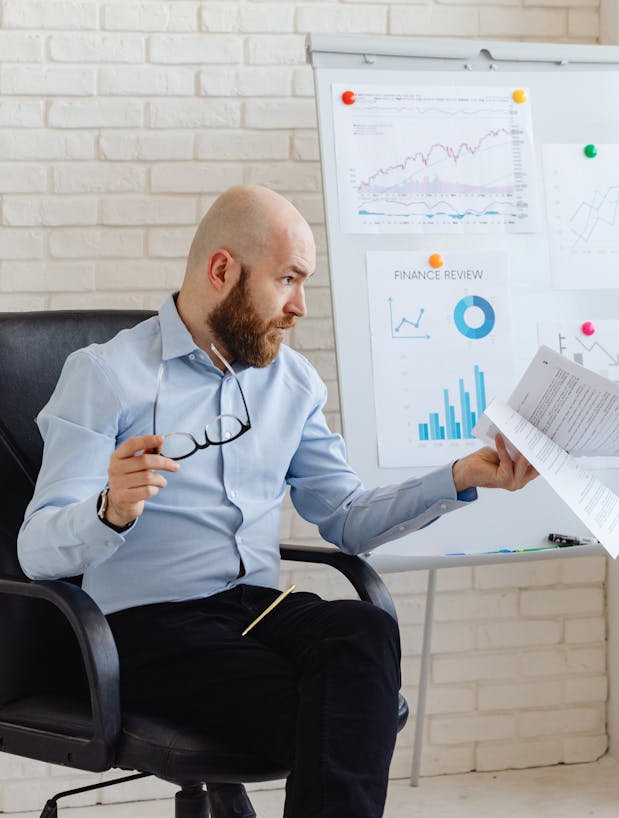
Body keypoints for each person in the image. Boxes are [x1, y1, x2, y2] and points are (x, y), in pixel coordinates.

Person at [18, 184, 537, 818]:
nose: (300, 306)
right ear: (222, 271)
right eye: (288, 279)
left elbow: (345, 518)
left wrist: (461, 475)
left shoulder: (292, 383)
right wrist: (110, 509)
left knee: (364, 631)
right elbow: (37, 549)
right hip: (146, 625)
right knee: (344, 716)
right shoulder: (106, 375)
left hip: (254, 612)